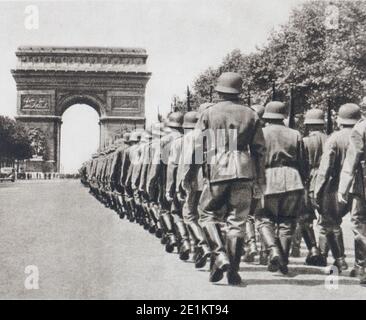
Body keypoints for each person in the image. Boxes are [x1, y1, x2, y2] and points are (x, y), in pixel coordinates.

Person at [195, 72, 266, 285]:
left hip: (218, 167)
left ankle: (219, 254)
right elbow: (260, 150)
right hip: (244, 168)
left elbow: (199, 146)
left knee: (207, 214)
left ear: (218, 90)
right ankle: (233, 271)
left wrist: (197, 171)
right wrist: (259, 178)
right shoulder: (251, 114)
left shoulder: (208, 113)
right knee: (238, 220)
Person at [256, 101, 306, 275]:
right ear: (283, 115)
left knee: (263, 218)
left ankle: (273, 251)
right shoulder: (295, 134)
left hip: (268, 178)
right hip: (293, 179)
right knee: (287, 222)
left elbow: (256, 159)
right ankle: (283, 261)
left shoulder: (261, 133)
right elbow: (302, 161)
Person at [315, 104, 361, 272]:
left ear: (339, 120)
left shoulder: (334, 138)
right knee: (360, 226)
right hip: (359, 185)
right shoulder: (362, 135)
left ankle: (340, 260)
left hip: (335, 186)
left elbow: (325, 168)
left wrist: (318, 191)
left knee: (331, 223)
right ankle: (360, 265)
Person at [176, 110, 211, 268]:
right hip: (217, 180)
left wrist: (183, 182)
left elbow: (187, 162)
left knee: (189, 215)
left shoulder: (190, 137)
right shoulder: (223, 135)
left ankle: (202, 245)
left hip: (197, 180)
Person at [336, 103, 366, 285]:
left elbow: (352, 160)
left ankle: (362, 267)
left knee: (360, 223)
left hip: (362, 185)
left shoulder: (360, 128)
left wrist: (343, 188)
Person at [292, 109, 326, 266]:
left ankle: (313, 250)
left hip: (309, 180)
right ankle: (324, 253)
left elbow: (300, 164)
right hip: (328, 181)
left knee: (304, 218)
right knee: (328, 221)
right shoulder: (329, 139)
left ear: (308, 125)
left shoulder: (304, 141)